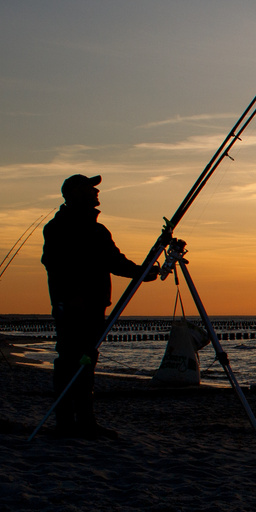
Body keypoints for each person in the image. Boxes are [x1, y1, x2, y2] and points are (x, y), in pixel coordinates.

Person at [40, 174, 156, 438]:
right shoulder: (59, 226)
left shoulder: (97, 229)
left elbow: (115, 261)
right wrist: (70, 296)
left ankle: (86, 421)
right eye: (90, 188)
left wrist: (142, 272)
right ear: (75, 193)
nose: (96, 193)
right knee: (70, 359)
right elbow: (53, 263)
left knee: (87, 359)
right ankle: (65, 422)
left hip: (94, 306)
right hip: (70, 308)